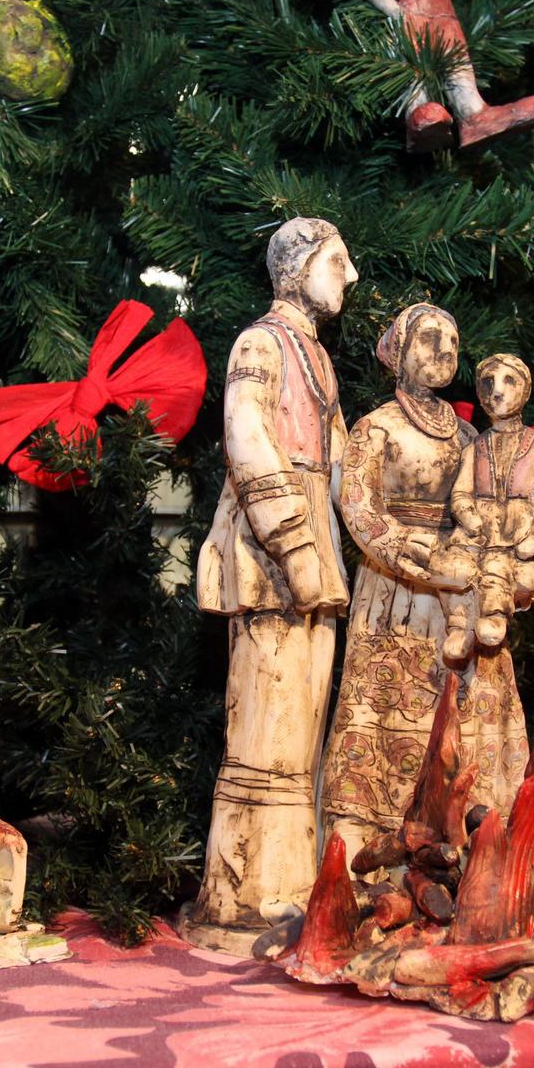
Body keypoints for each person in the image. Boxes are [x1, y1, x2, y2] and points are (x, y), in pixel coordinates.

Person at [186, 218, 357, 954]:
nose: (350, 276)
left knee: (304, 718)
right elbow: (248, 439)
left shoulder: (315, 356)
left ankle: (295, 883)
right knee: (267, 719)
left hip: (313, 537)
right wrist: (294, 546)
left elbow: (344, 461)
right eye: (337, 262)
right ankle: (248, 894)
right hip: (270, 551)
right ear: (298, 268)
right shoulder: (259, 345)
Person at [322, 305, 529, 866]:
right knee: (388, 716)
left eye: (453, 341)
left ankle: (473, 848)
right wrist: (407, 551)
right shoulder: (376, 427)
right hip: (398, 593)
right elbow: (358, 507)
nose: (444, 350)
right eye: (430, 338)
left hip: (463, 584)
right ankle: (373, 857)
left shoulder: (470, 436)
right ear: (399, 350)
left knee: (470, 714)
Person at [437, 354, 534, 661]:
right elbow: (461, 493)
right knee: (454, 569)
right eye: (488, 383)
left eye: (509, 381)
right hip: (477, 533)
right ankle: (459, 624)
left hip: (514, 537)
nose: (496, 391)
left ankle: (494, 615)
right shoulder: (475, 447)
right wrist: (468, 517)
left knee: (499, 570)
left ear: (525, 390)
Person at [357, 0, 534, 151]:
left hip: (443, 14)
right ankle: (418, 116)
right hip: (407, 11)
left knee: (453, 51)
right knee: (411, 55)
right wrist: (395, 13)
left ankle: (474, 114)